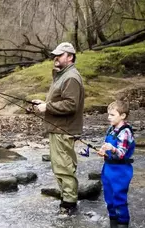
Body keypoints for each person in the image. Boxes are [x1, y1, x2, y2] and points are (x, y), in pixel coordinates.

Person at [32, 42, 85, 216]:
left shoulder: (70, 77)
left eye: (60, 55)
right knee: (59, 166)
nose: (56, 57)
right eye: (55, 54)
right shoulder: (63, 75)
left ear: (70, 56)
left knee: (64, 167)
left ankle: (69, 206)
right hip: (59, 129)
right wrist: (44, 104)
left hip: (64, 130)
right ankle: (66, 201)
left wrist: (47, 107)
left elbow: (70, 105)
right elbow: (60, 101)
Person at [98, 100, 135, 228]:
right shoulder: (111, 129)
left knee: (119, 198)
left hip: (121, 170)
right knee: (109, 197)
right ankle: (113, 223)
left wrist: (112, 149)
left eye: (112, 115)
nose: (109, 118)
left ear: (123, 116)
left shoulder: (125, 132)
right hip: (108, 168)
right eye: (109, 115)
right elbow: (107, 146)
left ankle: (123, 227)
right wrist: (103, 151)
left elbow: (121, 153)